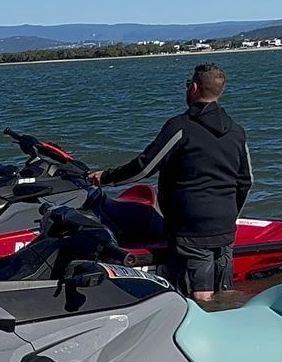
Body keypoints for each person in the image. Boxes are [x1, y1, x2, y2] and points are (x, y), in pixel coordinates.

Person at [89, 63, 253, 302]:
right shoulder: (237, 132)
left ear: (194, 88)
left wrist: (106, 177)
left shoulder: (180, 127)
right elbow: (246, 181)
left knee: (199, 294)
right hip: (225, 225)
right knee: (223, 288)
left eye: (188, 84)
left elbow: (145, 166)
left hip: (191, 228)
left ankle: (197, 333)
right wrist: (229, 214)